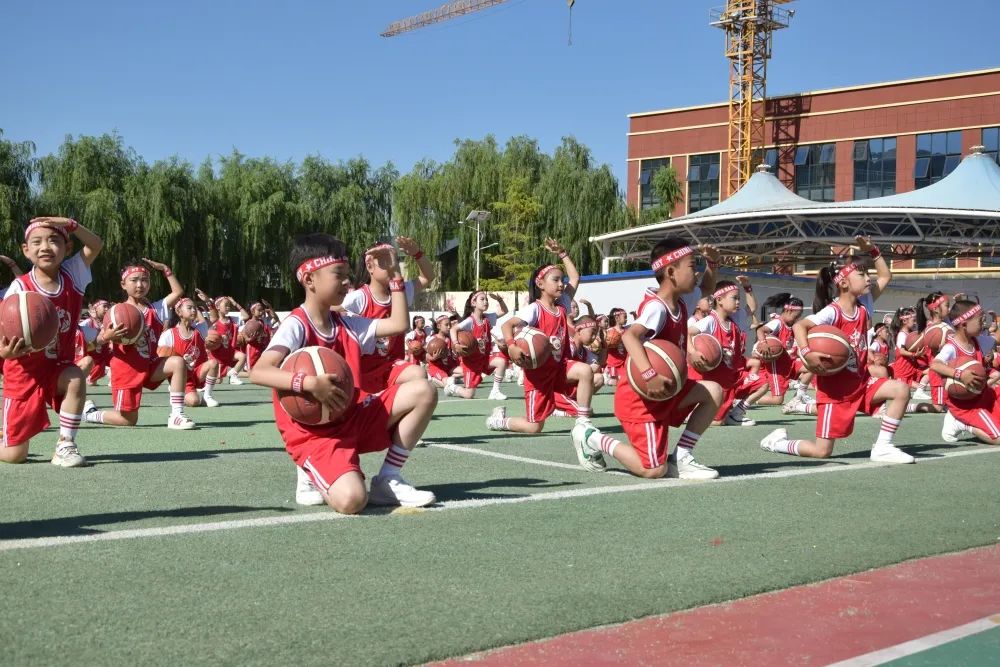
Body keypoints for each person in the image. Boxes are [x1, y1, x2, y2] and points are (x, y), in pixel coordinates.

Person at [250, 233, 436, 512]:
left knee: (424, 389)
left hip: (351, 415)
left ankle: (388, 478)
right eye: (339, 273)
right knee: (352, 500)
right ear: (309, 279)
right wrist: (309, 383)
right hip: (315, 434)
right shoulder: (297, 324)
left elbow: (398, 324)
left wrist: (396, 274)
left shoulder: (348, 324)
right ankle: (309, 469)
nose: (347, 281)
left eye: (348, 274)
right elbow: (259, 372)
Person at [572, 238, 724, 479]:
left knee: (713, 390)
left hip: (668, 389)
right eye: (692, 266)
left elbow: (707, 288)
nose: (696, 271)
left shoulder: (681, 301)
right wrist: (650, 374)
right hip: (641, 398)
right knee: (653, 470)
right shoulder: (658, 308)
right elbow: (630, 336)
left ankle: (682, 457)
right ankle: (593, 438)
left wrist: (712, 264)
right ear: (671, 272)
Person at [759, 238, 916, 463]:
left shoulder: (864, 306)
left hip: (861, 383)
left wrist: (873, 251)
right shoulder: (832, 312)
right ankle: (777, 442)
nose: (868, 277)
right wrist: (807, 352)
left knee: (901, 390)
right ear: (843, 283)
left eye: (867, 274)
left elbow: (885, 276)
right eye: (861, 275)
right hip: (835, 391)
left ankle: (883, 447)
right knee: (822, 451)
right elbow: (799, 325)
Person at [489, 239, 609, 471]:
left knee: (586, 371)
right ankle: (499, 420)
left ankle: (583, 425)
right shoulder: (534, 308)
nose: (562, 284)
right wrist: (513, 345)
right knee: (535, 427)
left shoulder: (563, 304)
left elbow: (575, 278)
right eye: (556, 280)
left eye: (561, 280)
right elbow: (508, 325)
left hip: (560, 366)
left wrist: (563, 253)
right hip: (539, 376)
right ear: (540, 283)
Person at [1, 216, 103, 467]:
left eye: (54, 241)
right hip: (23, 372)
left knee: (75, 376)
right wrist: (5, 352)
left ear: (67, 248)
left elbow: (95, 244)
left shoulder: (73, 275)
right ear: (26, 250)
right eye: (36, 242)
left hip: (56, 366)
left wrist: (71, 224)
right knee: (16, 456)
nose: (45, 247)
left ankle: (65, 445)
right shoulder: (19, 288)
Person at [83, 258, 196, 430]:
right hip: (126, 370)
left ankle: (177, 415)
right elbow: (91, 345)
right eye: (134, 280)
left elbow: (178, 292)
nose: (140, 284)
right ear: (123, 284)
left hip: (149, 365)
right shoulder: (116, 313)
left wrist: (166, 269)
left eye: (144, 280)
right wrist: (106, 337)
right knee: (128, 421)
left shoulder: (155, 309)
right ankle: (90, 414)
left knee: (177, 362)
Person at [343, 237, 434, 393]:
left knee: (418, 373)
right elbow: (329, 310)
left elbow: (428, 277)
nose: (391, 264)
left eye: (394, 258)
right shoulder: (359, 297)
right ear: (370, 266)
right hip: (363, 370)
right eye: (384, 259)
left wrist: (417, 253)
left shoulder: (402, 291)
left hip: (392, 366)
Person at [688, 275, 765, 426]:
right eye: (734, 298)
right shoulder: (710, 321)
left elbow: (752, 308)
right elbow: (689, 332)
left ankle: (736, 413)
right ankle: (696, 410)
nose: (738, 302)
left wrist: (748, 288)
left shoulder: (736, 318)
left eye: (739, 298)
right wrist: (693, 353)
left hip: (733, 375)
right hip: (716, 380)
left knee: (762, 383)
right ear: (719, 300)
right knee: (718, 422)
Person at [934, 300, 1000, 445]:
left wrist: (997, 321)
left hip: (985, 395)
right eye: (980, 319)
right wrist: (960, 374)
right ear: (964, 324)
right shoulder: (951, 347)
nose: (983, 322)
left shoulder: (979, 341)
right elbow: (935, 364)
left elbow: (996, 340)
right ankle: (961, 423)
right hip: (965, 405)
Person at [745, 293, 815, 414]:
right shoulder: (777, 323)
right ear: (787, 310)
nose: (797, 319)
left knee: (812, 367)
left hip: (789, 362)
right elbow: (760, 329)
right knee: (777, 400)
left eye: (799, 316)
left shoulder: (792, 326)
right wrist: (763, 342)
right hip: (776, 366)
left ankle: (799, 397)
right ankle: (742, 400)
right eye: (796, 316)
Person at [157, 297, 220, 408]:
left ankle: (207, 397)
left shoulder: (199, 330)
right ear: (179, 312)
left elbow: (214, 318)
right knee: (194, 402)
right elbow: (161, 358)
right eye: (189, 308)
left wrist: (207, 304)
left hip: (197, 372)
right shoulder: (169, 334)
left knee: (213, 363)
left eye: (195, 308)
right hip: (182, 376)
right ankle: (175, 390)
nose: (194, 310)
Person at [448, 291, 509, 400]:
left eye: (486, 299)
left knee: (502, 361)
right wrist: (456, 343)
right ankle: (452, 387)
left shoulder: (487, 318)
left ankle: (495, 391)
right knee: (469, 394)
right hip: (472, 363)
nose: (485, 301)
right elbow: (453, 329)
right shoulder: (470, 321)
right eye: (482, 299)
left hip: (484, 359)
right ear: (473, 303)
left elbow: (505, 311)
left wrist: (500, 300)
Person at [207, 296, 248, 385]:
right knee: (218, 381)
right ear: (218, 307)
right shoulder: (215, 321)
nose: (228, 307)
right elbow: (212, 313)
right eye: (226, 305)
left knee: (242, 356)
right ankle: (199, 380)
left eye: (229, 305)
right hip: (218, 355)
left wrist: (235, 303)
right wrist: (209, 302)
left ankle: (233, 376)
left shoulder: (232, 319)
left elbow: (246, 316)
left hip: (229, 351)